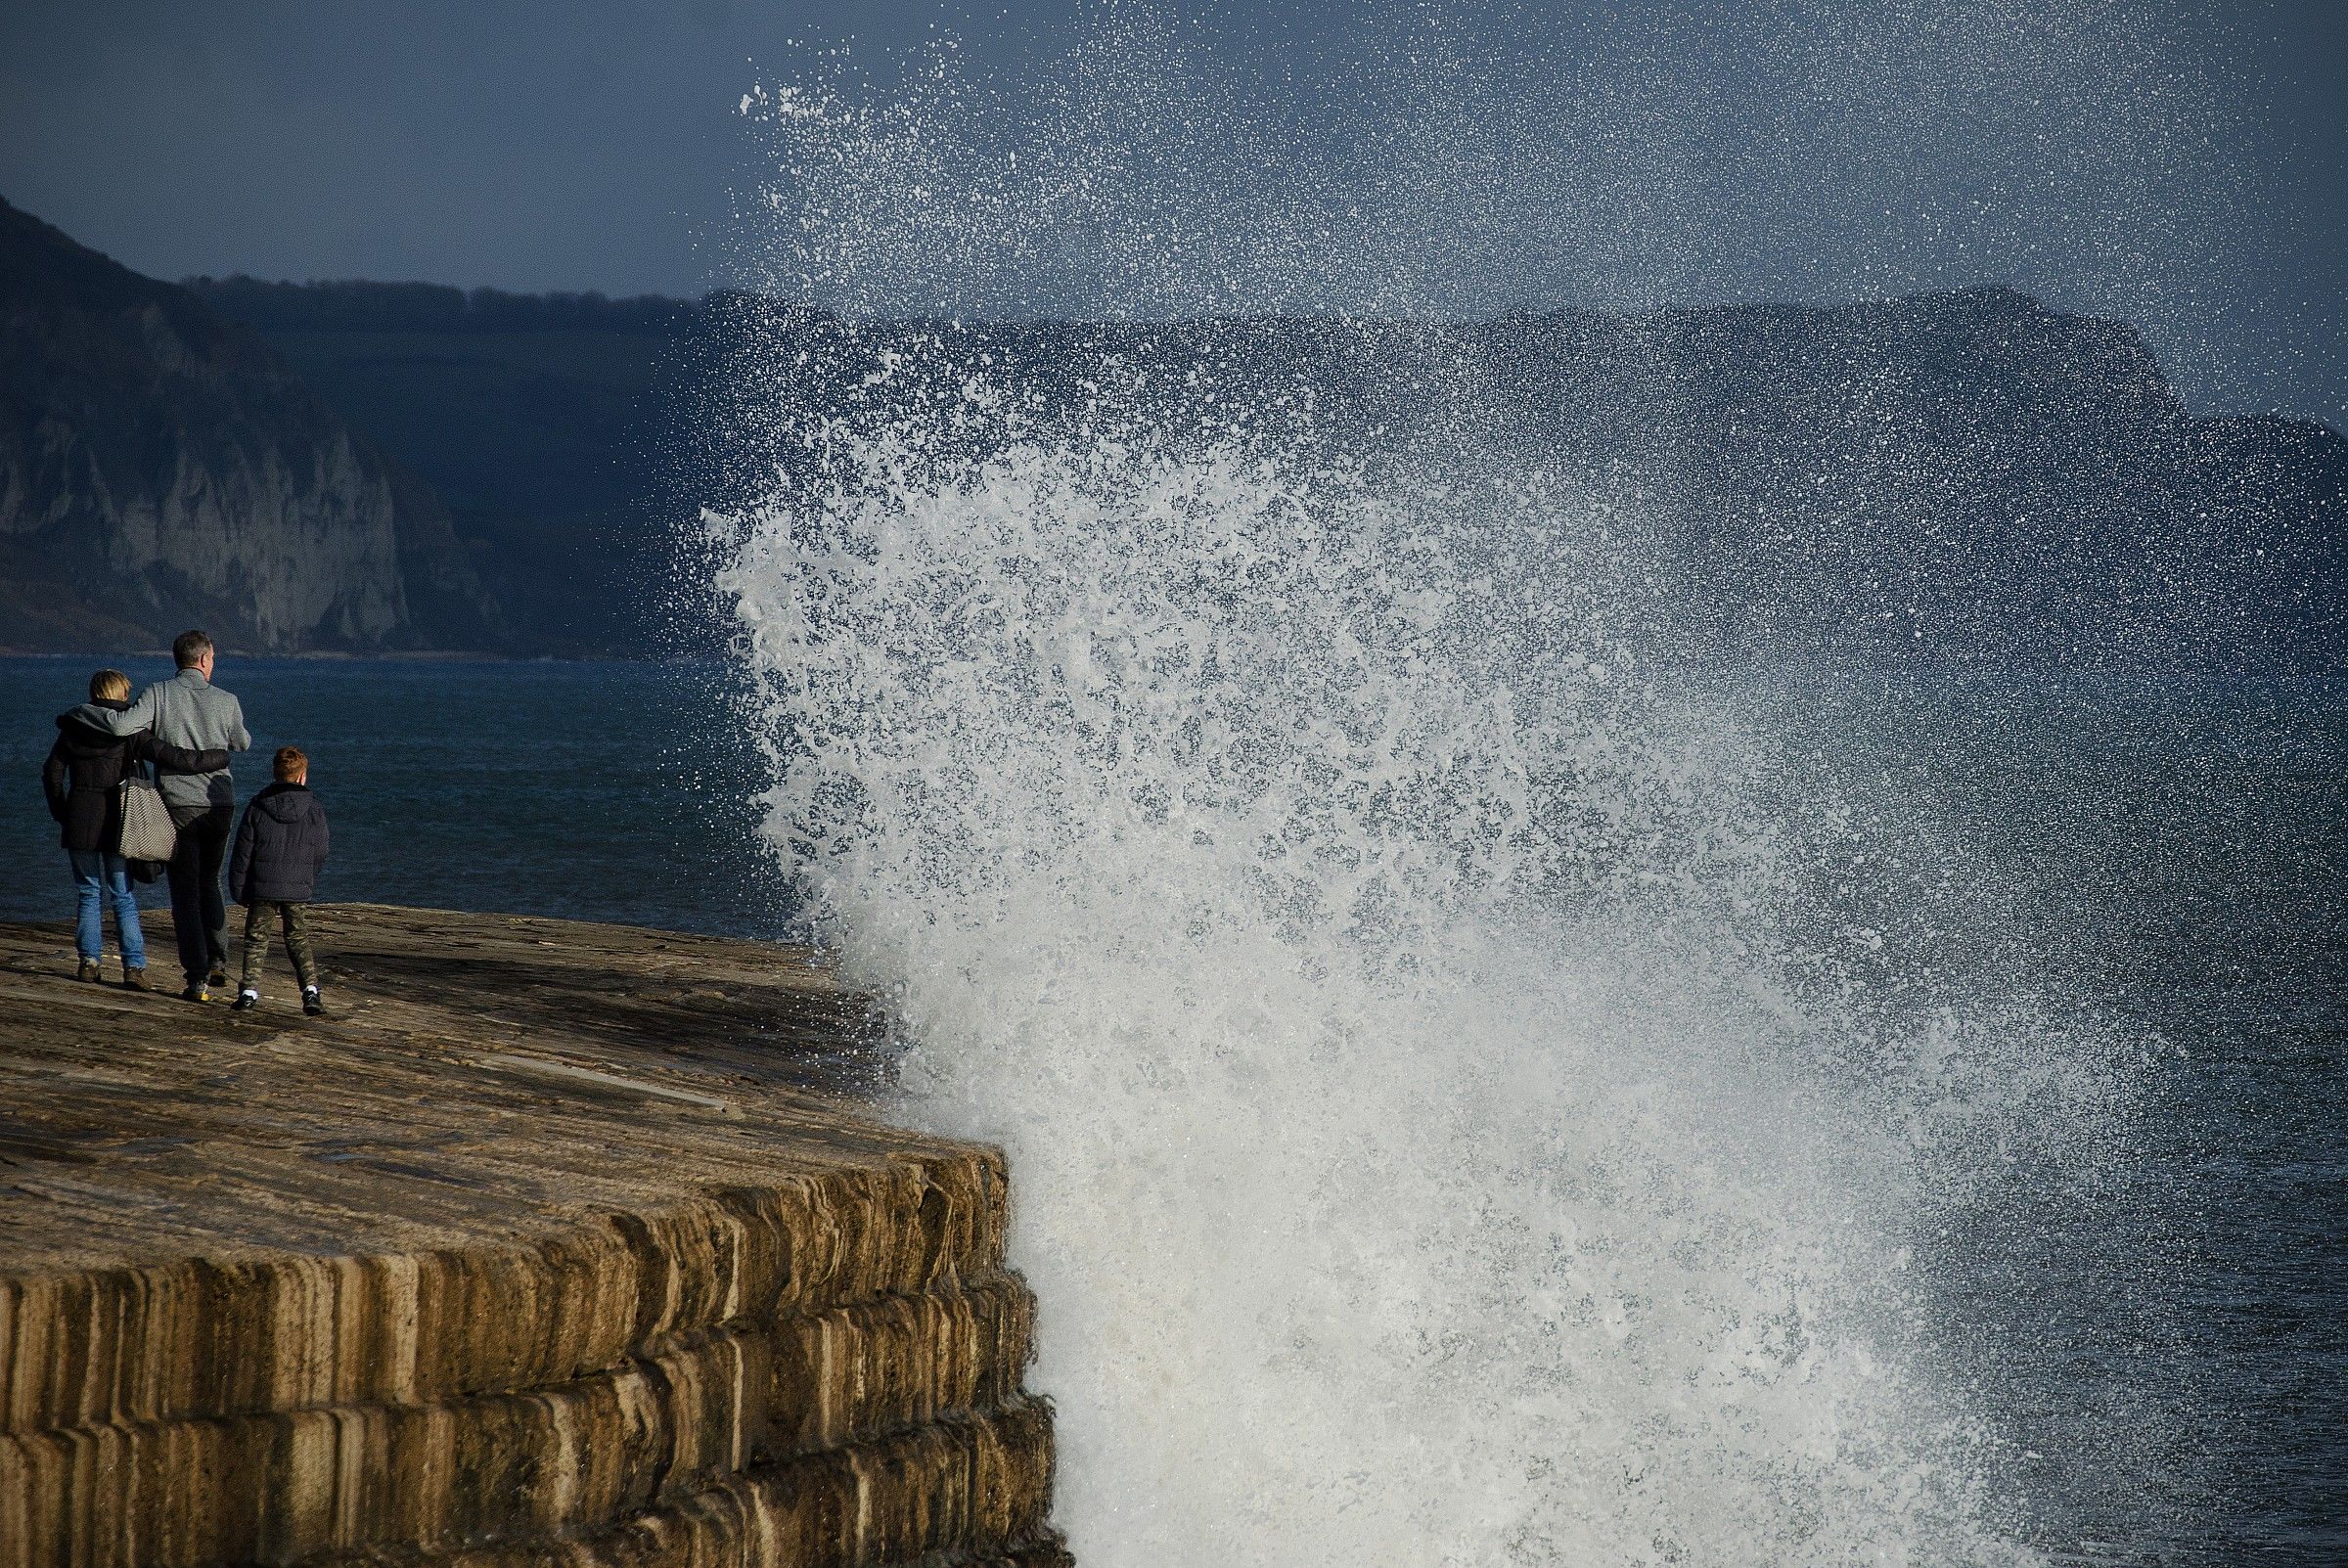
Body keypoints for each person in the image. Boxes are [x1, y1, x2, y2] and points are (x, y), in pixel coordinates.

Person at [41, 669, 231, 988]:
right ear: (121, 695)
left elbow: (52, 773)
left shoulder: (72, 729)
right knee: (122, 895)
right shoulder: (130, 731)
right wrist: (217, 757)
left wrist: (63, 811)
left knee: (88, 893)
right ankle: (133, 968)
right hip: (120, 821)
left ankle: (89, 962)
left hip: (80, 820)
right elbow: (172, 757)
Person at [91, 629, 250, 1001]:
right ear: (205, 659)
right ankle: (218, 960)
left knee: (185, 891)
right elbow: (242, 742)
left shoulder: (158, 693)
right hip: (219, 804)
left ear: (178, 659)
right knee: (210, 881)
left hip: (177, 804)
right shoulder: (227, 700)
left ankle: (196, 978)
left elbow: (120, 726)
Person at [227, 745, 330, 1016]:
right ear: (302, 776)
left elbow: (242, 851)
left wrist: (238, 889)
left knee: (256, 939)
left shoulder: (257, 806)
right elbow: (321, 850)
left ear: (275, 773)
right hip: (297, 885)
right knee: (298, 938)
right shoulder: (314, 808)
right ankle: (310, 991)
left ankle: (249, 991)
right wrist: (307, 877)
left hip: (262, 885)